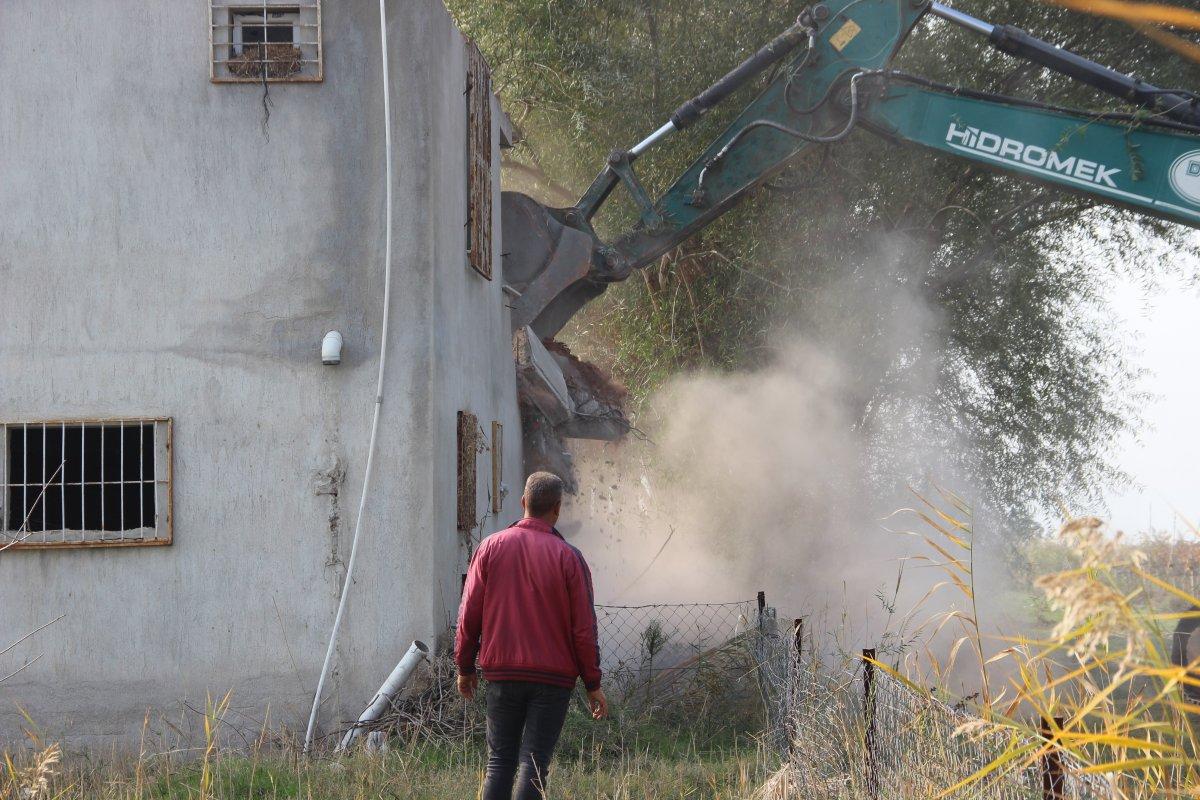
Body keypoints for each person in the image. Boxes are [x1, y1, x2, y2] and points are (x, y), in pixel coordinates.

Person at [455, 471, 608, 800]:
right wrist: (592, 683)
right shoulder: (569, 558)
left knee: (499, 762)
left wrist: (465, 667)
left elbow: (469, 615)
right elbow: (583, 628)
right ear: (557, 508)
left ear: (523, 502)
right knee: (535, 764)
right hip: (553, 680)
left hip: (502, 673)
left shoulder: (490, 548)